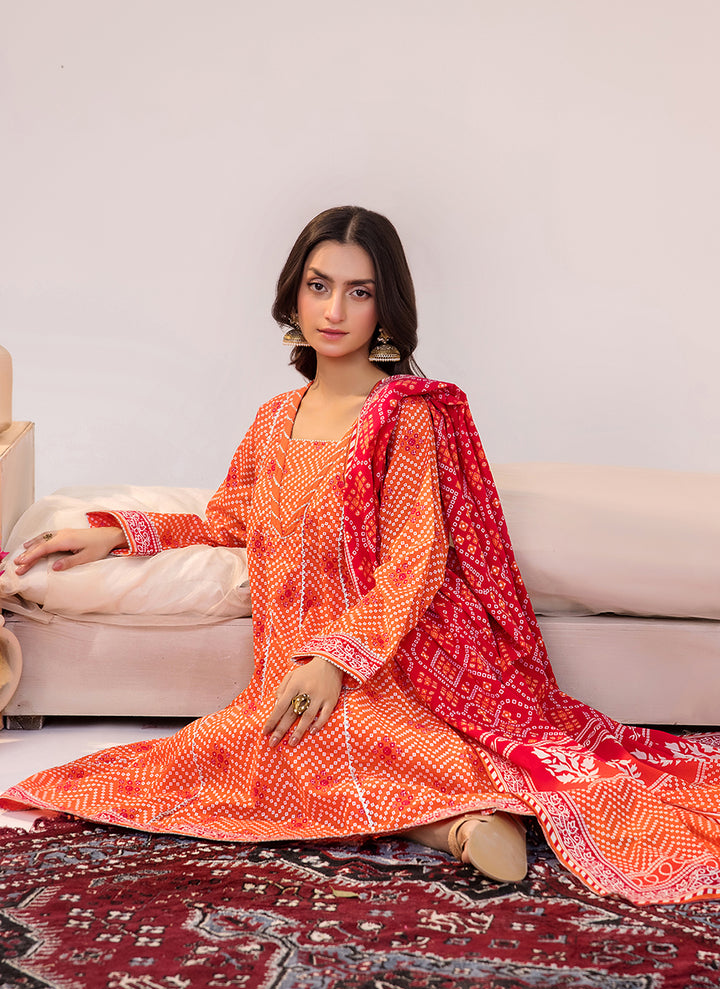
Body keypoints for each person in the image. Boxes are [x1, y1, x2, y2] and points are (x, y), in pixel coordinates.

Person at [4, 206, 720, 905]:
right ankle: (452, 825)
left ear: (385, 307)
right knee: (224, 755)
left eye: (359, 291)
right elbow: (230, 520)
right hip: (284, 673)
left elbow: (417, 559)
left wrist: (334, 660)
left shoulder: (404, 416)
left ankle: (463, 815)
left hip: (380, 666)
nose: (335, 310)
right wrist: (119, 531)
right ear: (293, 294)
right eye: (319, 286)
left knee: (349, 739)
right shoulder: (272, 420)